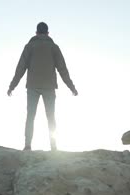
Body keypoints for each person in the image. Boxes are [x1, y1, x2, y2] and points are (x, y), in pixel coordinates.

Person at [7, 22, 78, 151]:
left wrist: (12, 86)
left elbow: (20, 68)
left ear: (36, 33)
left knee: (30, 116)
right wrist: (71, 87)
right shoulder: (54, 47)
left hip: (32, 86)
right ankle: (53, 146)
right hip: (49, 87)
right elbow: (63, 69)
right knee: (51, 116)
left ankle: (27, 145)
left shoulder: (29, 46)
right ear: (48, 33)